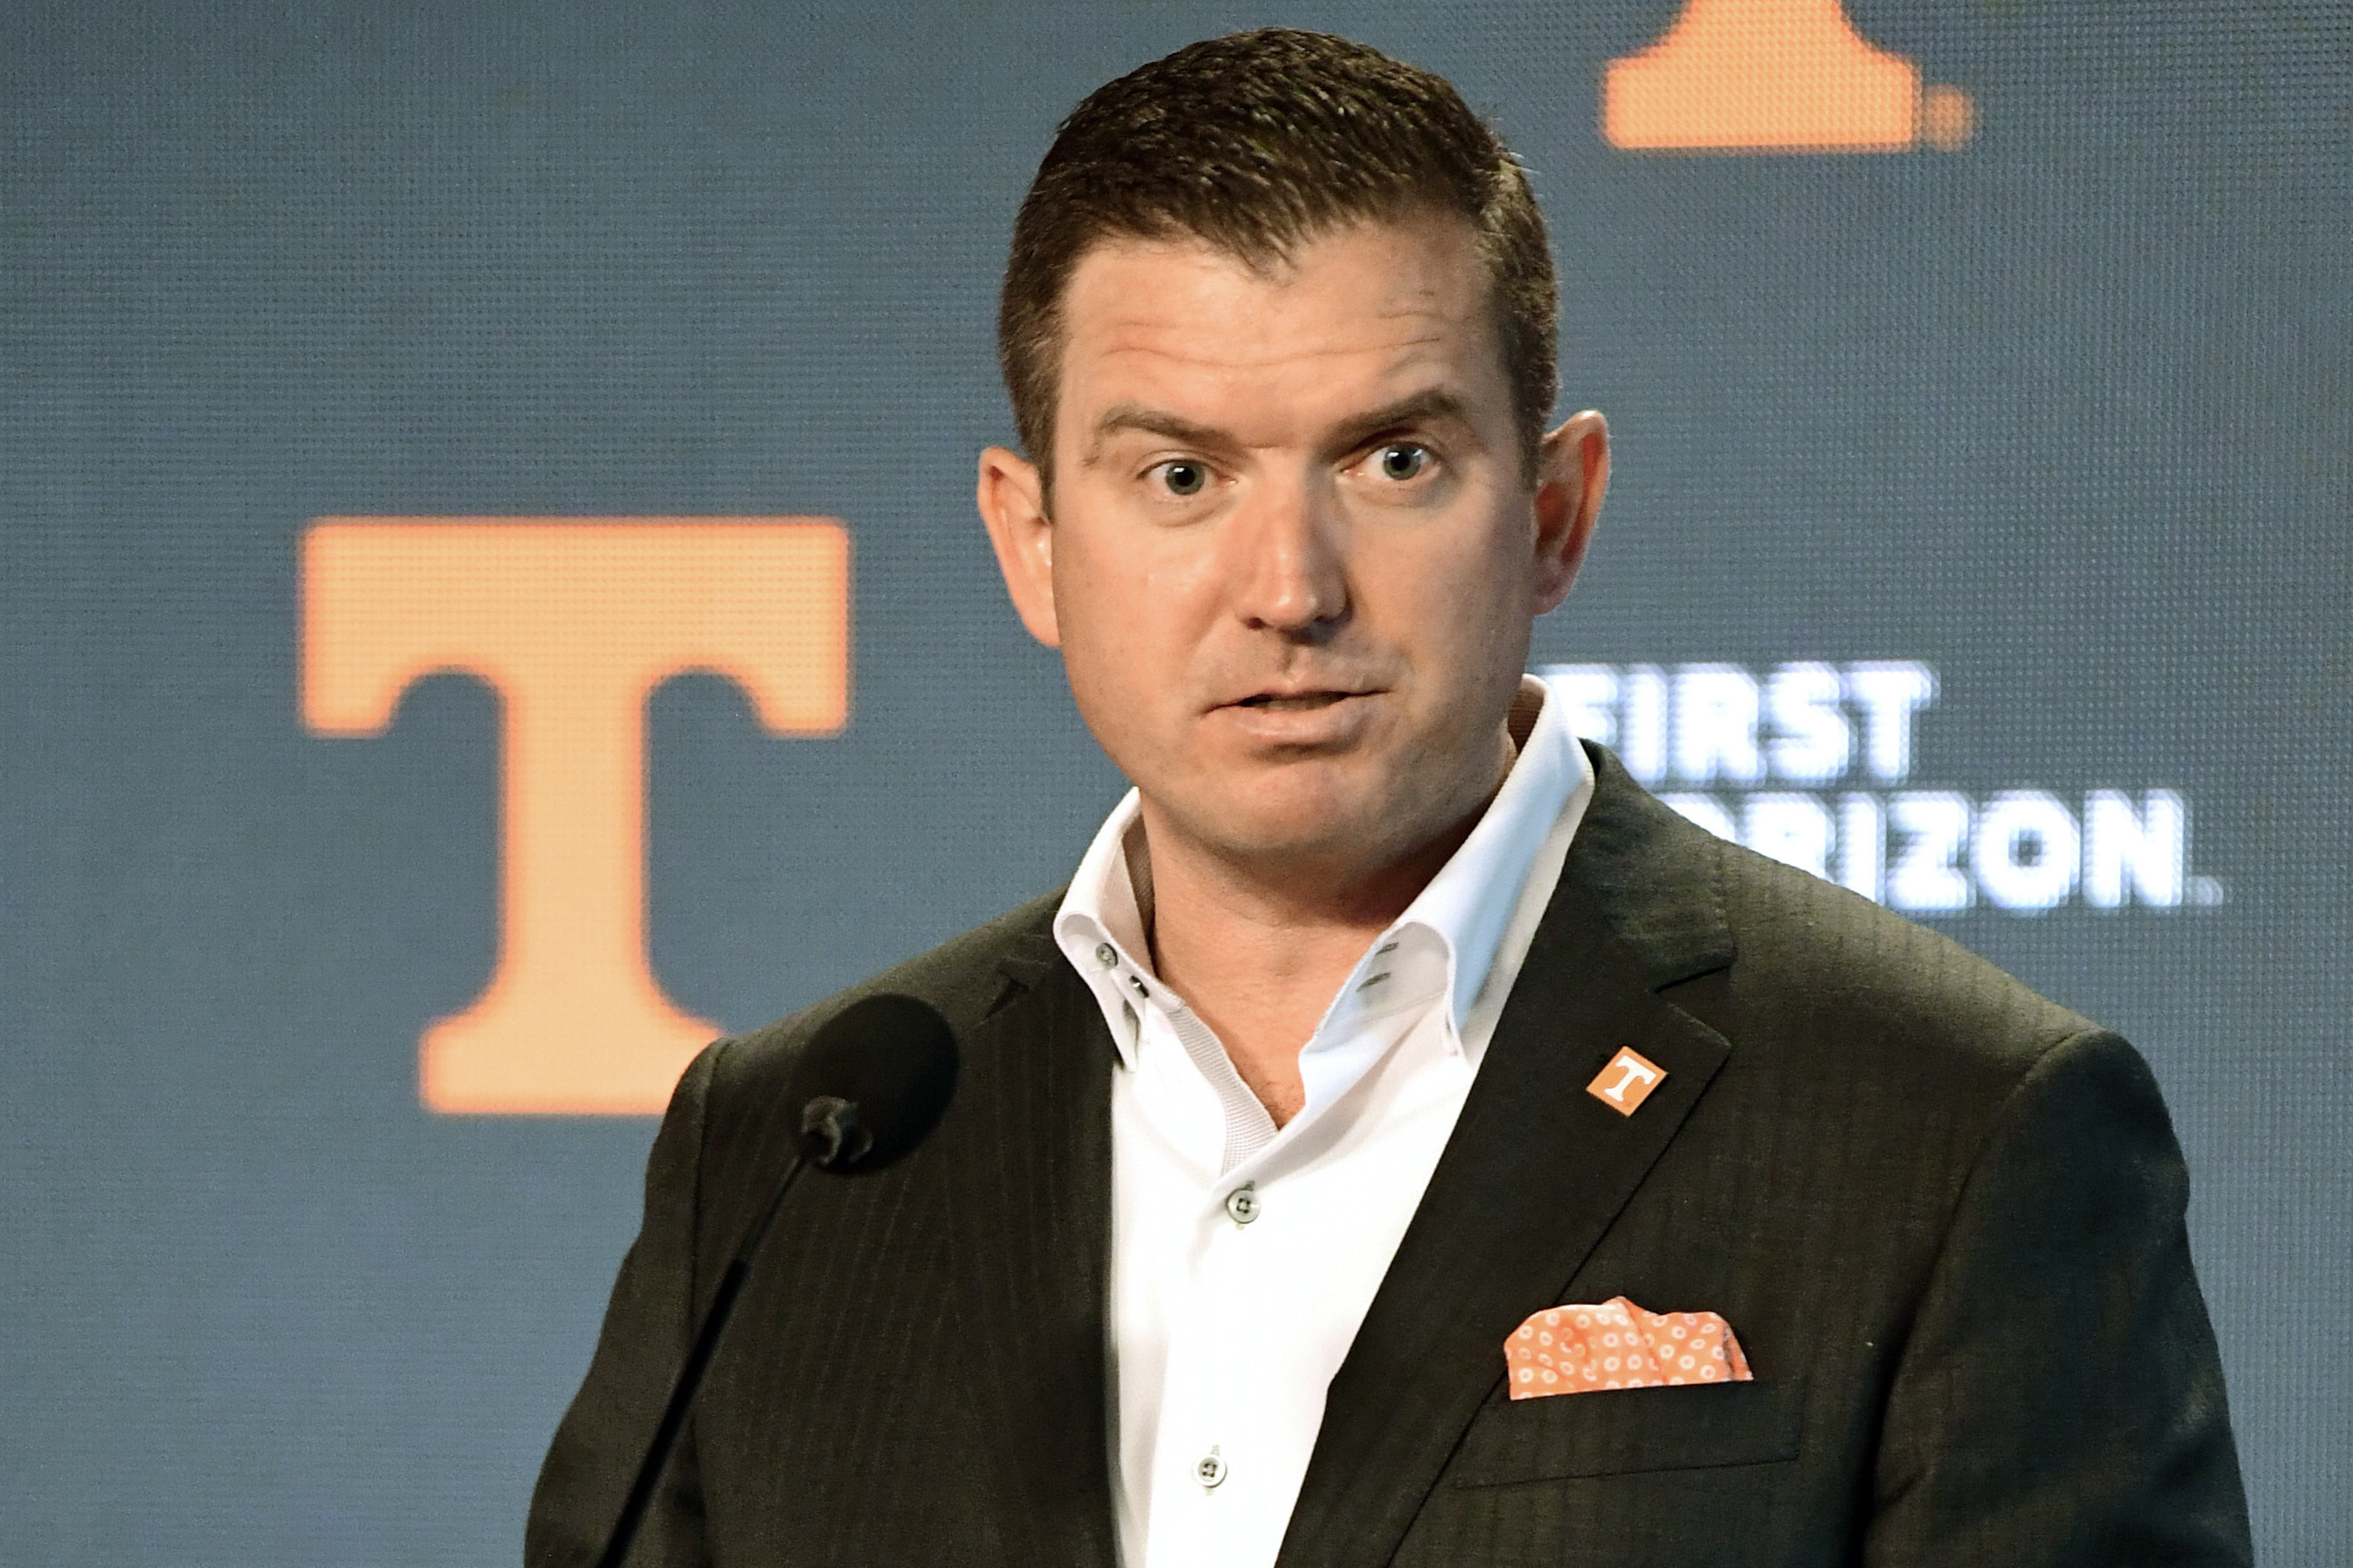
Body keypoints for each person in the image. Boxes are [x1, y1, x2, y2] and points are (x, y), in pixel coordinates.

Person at [527, 29, 2251, 1567]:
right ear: (1031, 541)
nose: (1291, 586)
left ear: (1556, 514)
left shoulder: (1953, 1128)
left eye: (1394, 460)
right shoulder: (790, 1157)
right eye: (1181, 474)